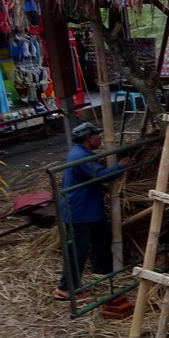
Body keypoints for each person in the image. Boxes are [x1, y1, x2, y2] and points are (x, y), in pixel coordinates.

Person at [54, 122, 133, 301]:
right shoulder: (80, 156)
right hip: (79, 211)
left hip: (89, 209)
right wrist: (121, 167)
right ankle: (66, 289)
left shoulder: (83, 153)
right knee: (77, 251)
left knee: (102, 238)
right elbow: (102, 175)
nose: (100, 138)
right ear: (88, 138)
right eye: (97, 135)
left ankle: (102, 270)